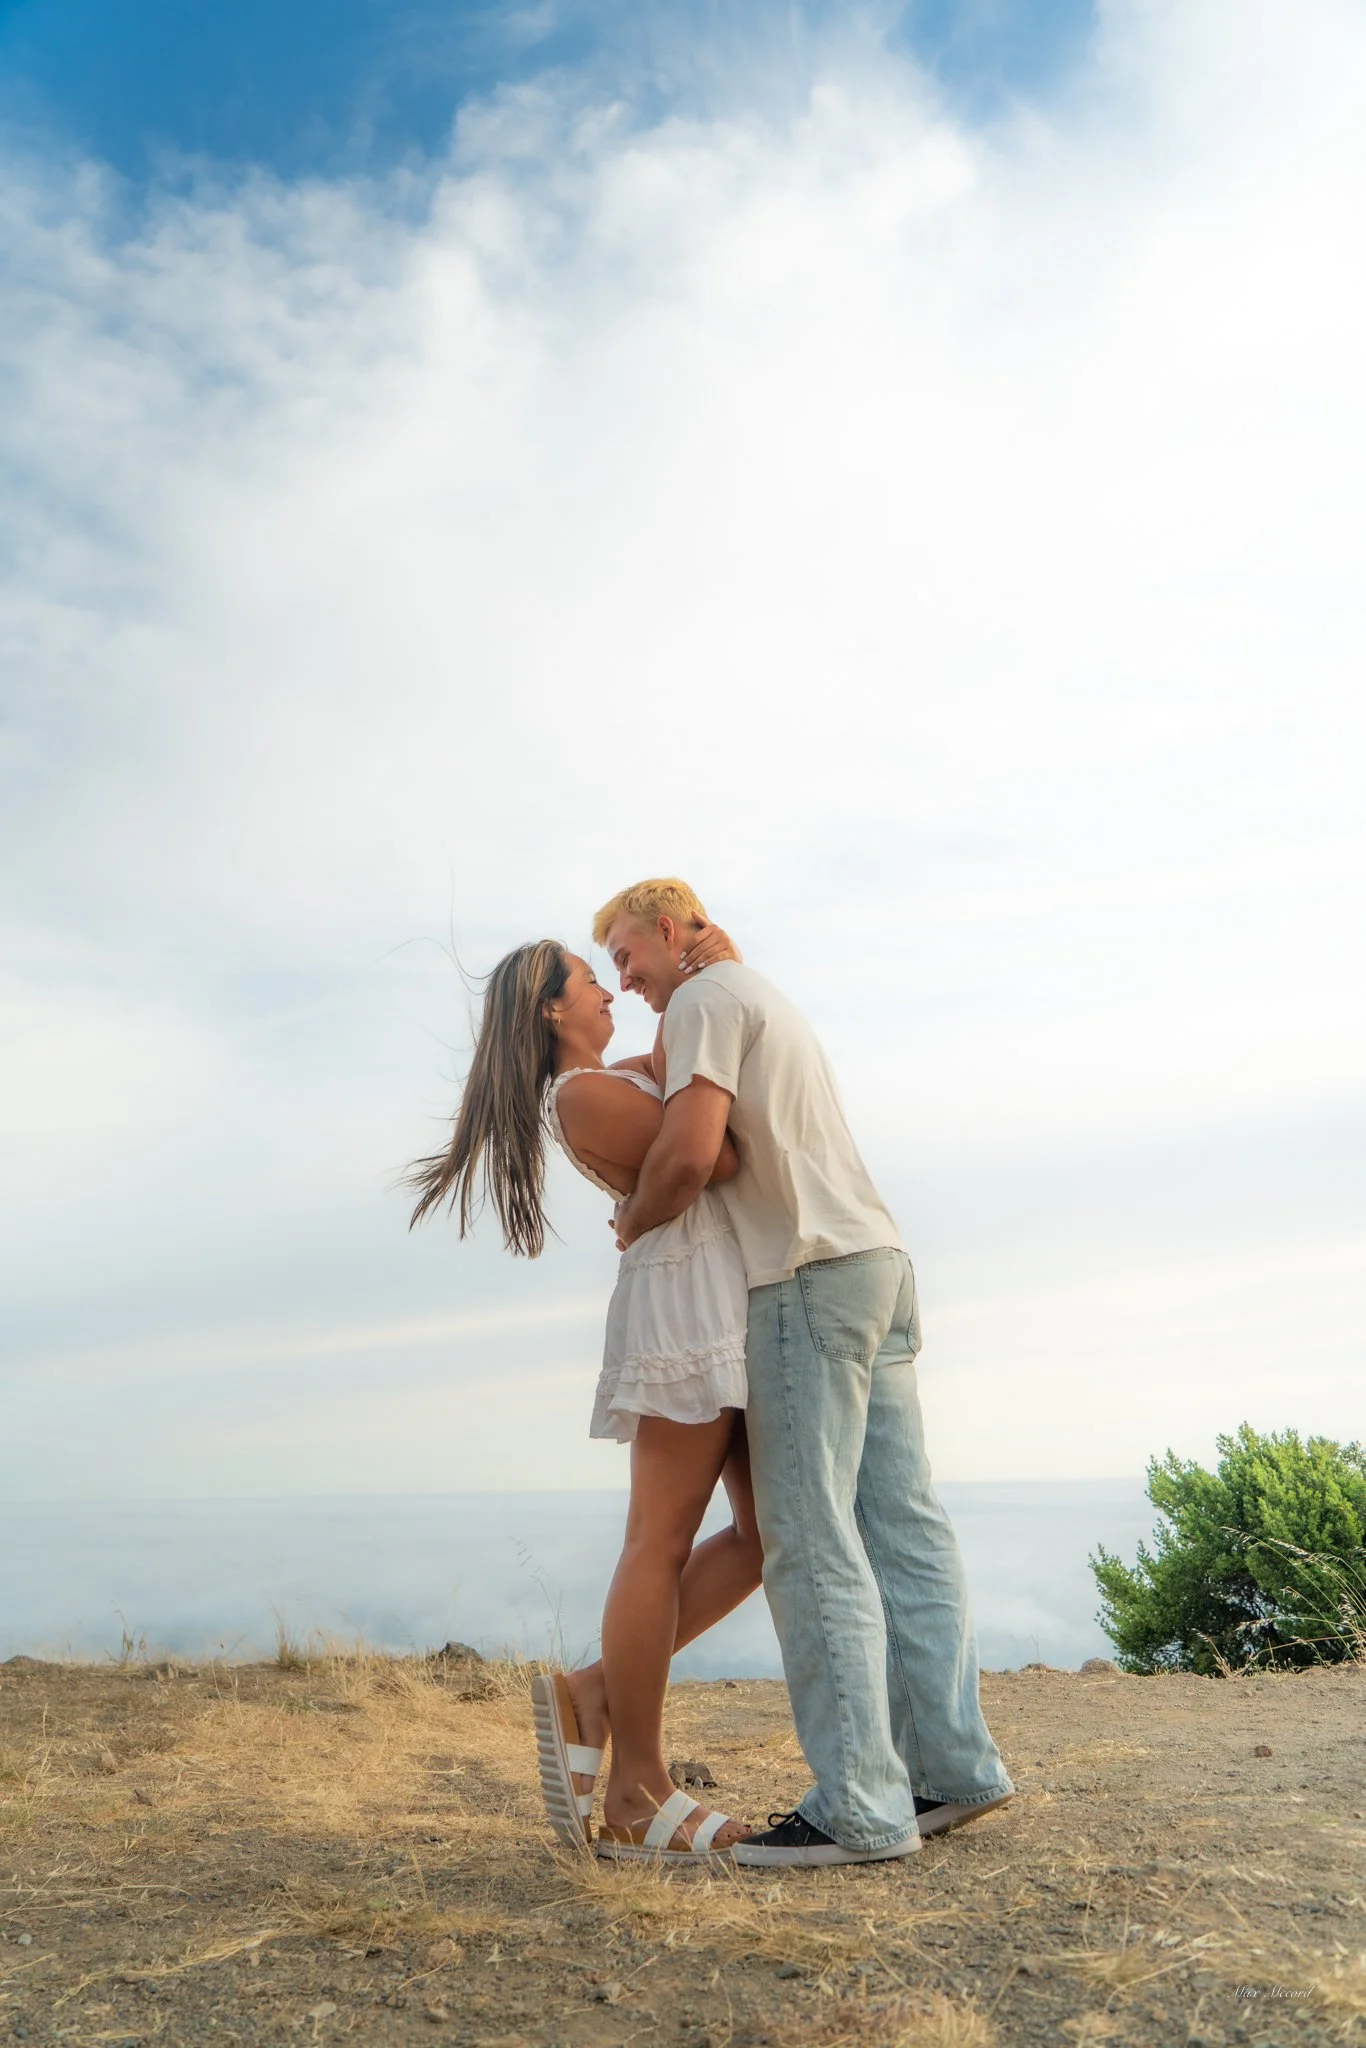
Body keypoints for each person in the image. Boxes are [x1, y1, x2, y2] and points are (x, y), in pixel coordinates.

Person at [597, 877, 1014, 1868]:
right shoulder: (752, 993)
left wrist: (631, 1217)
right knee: (904, 1526)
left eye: (626, 955)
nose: (627, 979)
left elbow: (694, 1153)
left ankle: (859, 1809)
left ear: (669, 929)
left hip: (802, 1282)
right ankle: (952, 1768)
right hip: (878, 1264)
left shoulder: (703, 998)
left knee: (808, 1536)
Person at [407, 933, 760, 1860]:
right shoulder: (585, 1095)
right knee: (661, 1536)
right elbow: (710, 1158)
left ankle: (596, 1691)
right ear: (553, 1011)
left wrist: (705, 988)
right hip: (685, 1303)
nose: (610, 993)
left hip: (717, 1296)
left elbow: (695, 1058)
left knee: (765, 1538)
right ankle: (639, 1787)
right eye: (591, 982)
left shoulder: (620, 1075)